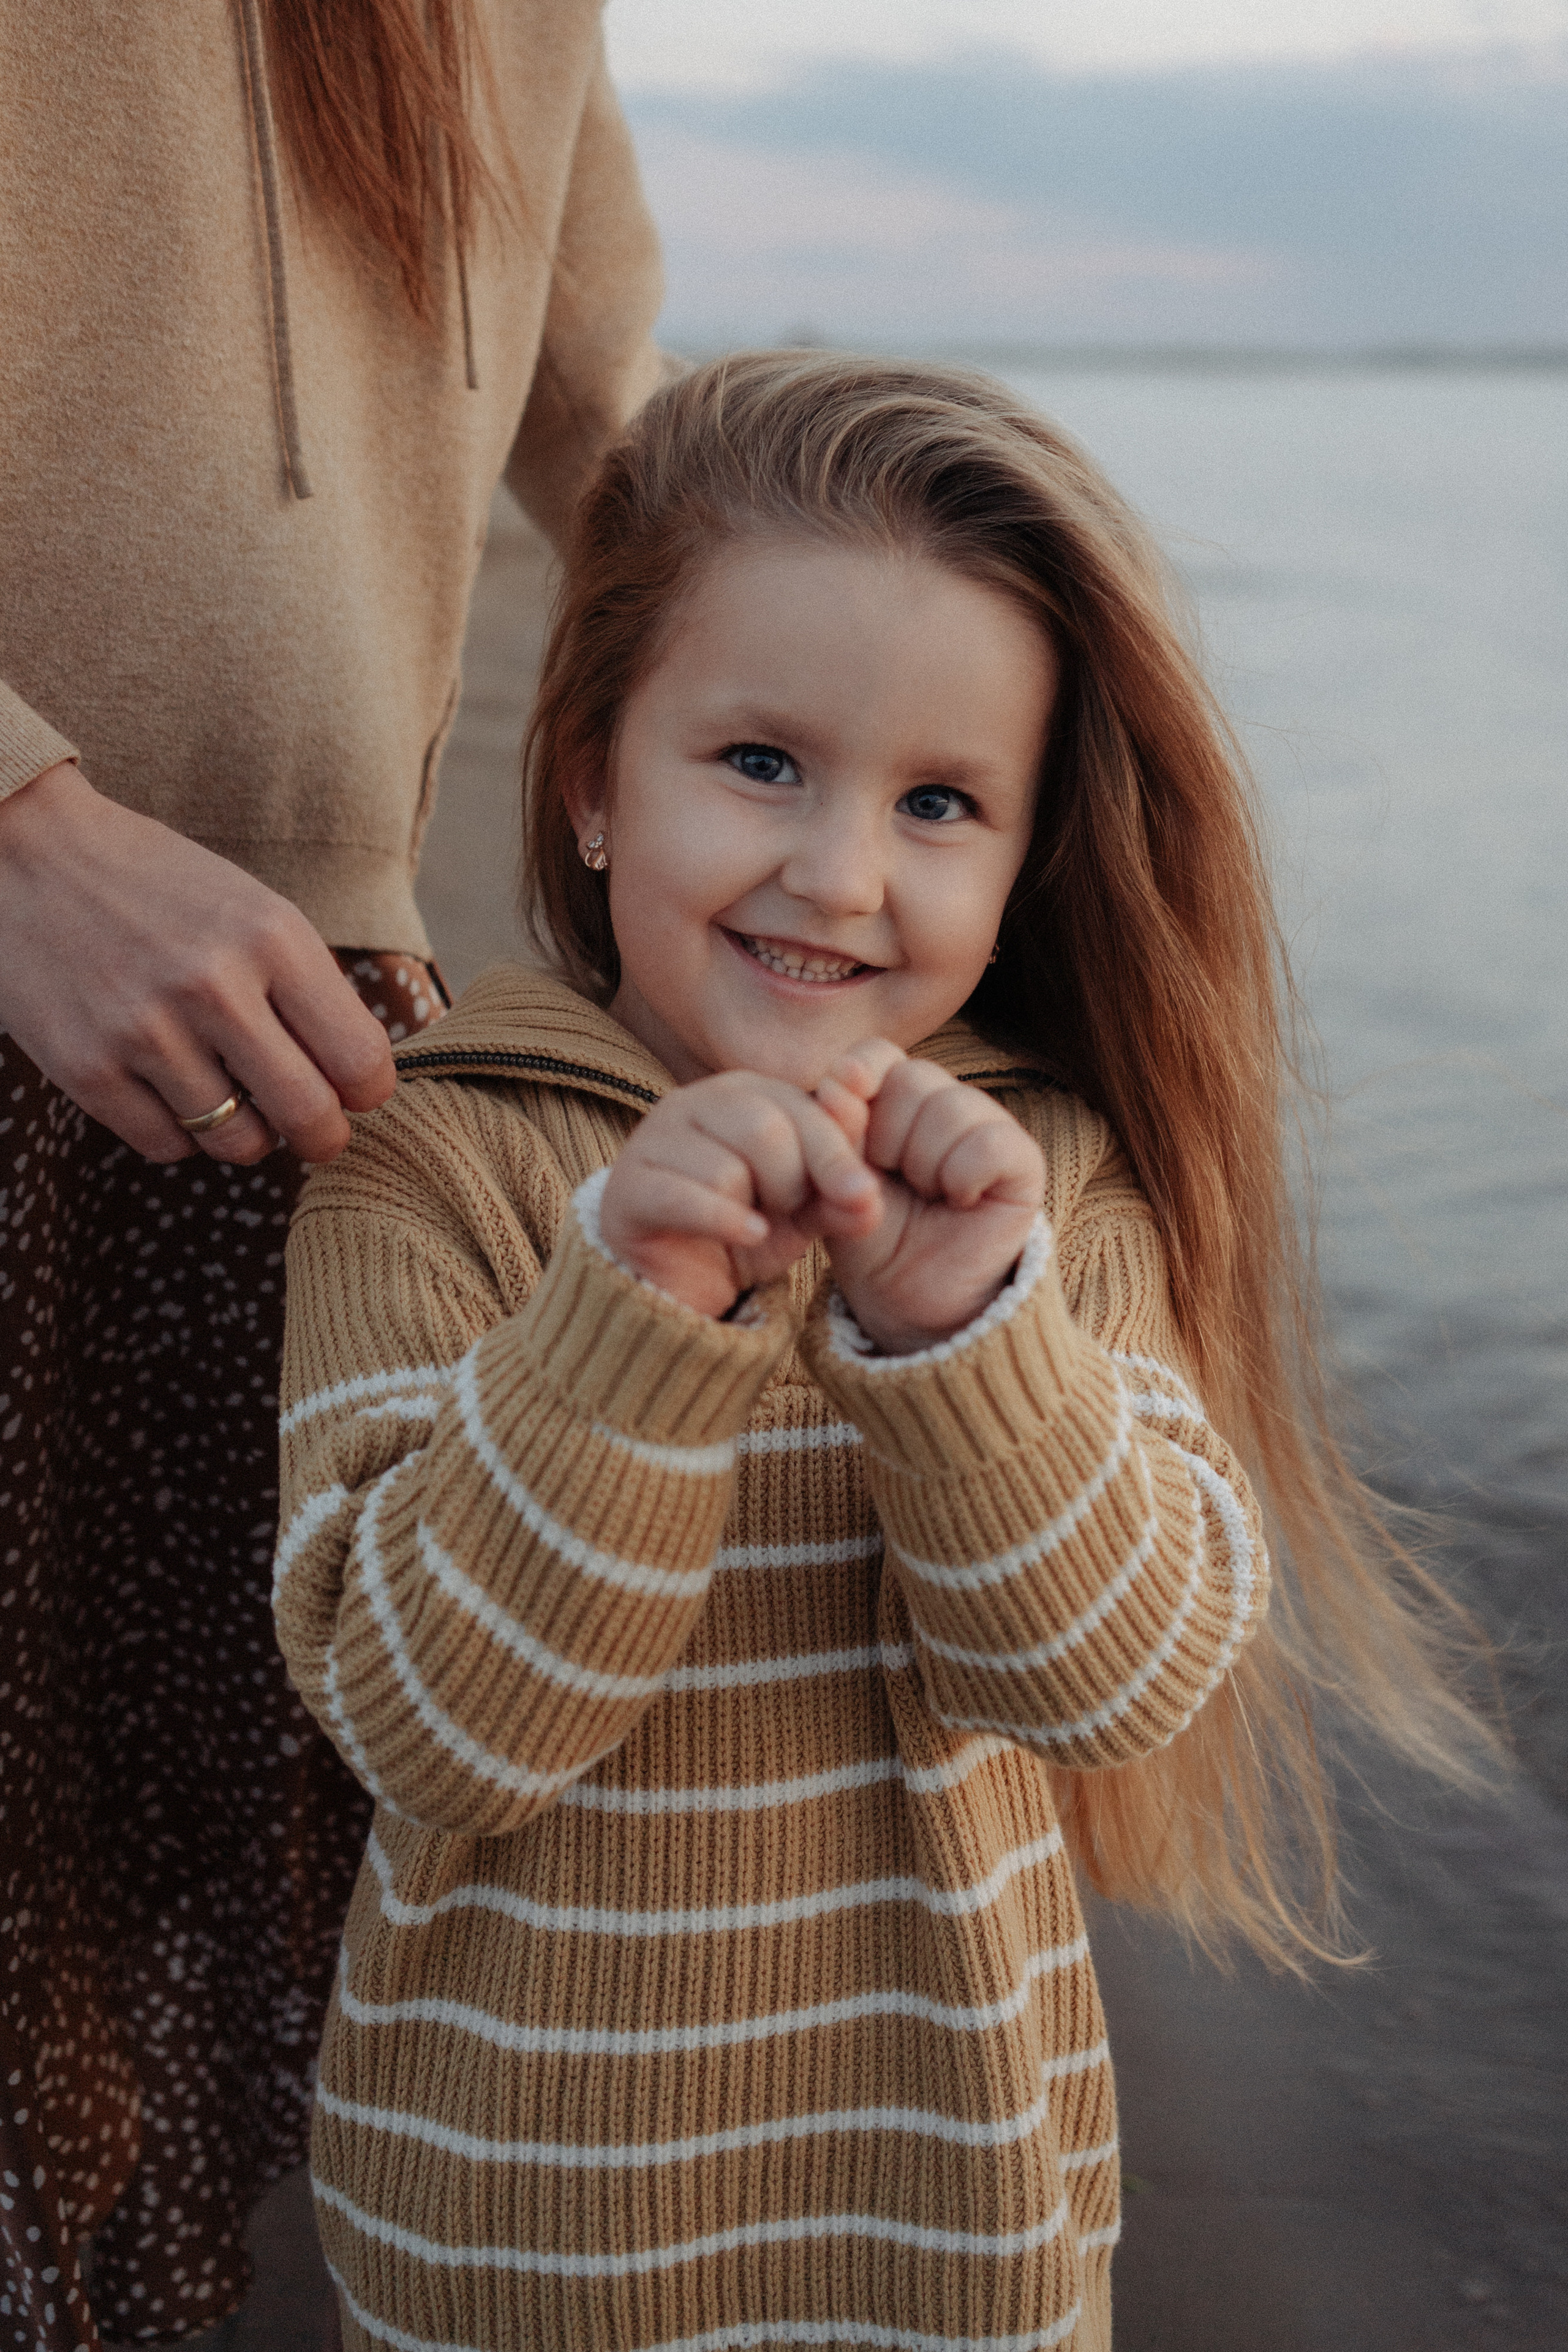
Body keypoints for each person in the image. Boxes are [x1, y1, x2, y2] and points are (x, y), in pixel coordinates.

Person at [273, 354, 1484, 2352]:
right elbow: (432, 1730)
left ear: (1022, 860)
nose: (841, 873)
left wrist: (960, 1334)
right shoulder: (430, 1162)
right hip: (514, 2253)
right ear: (589, 778)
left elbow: (1109, 1682)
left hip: (955, 2242)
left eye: (939, 803)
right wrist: (629, 1315)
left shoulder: (1045, 1186)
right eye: (761, 760)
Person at [0, 2, 663, 2342]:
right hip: (43, 943)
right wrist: (20, 825)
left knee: (158, 1964)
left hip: (290, 1051)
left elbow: (633, 451)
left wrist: (925, 824)